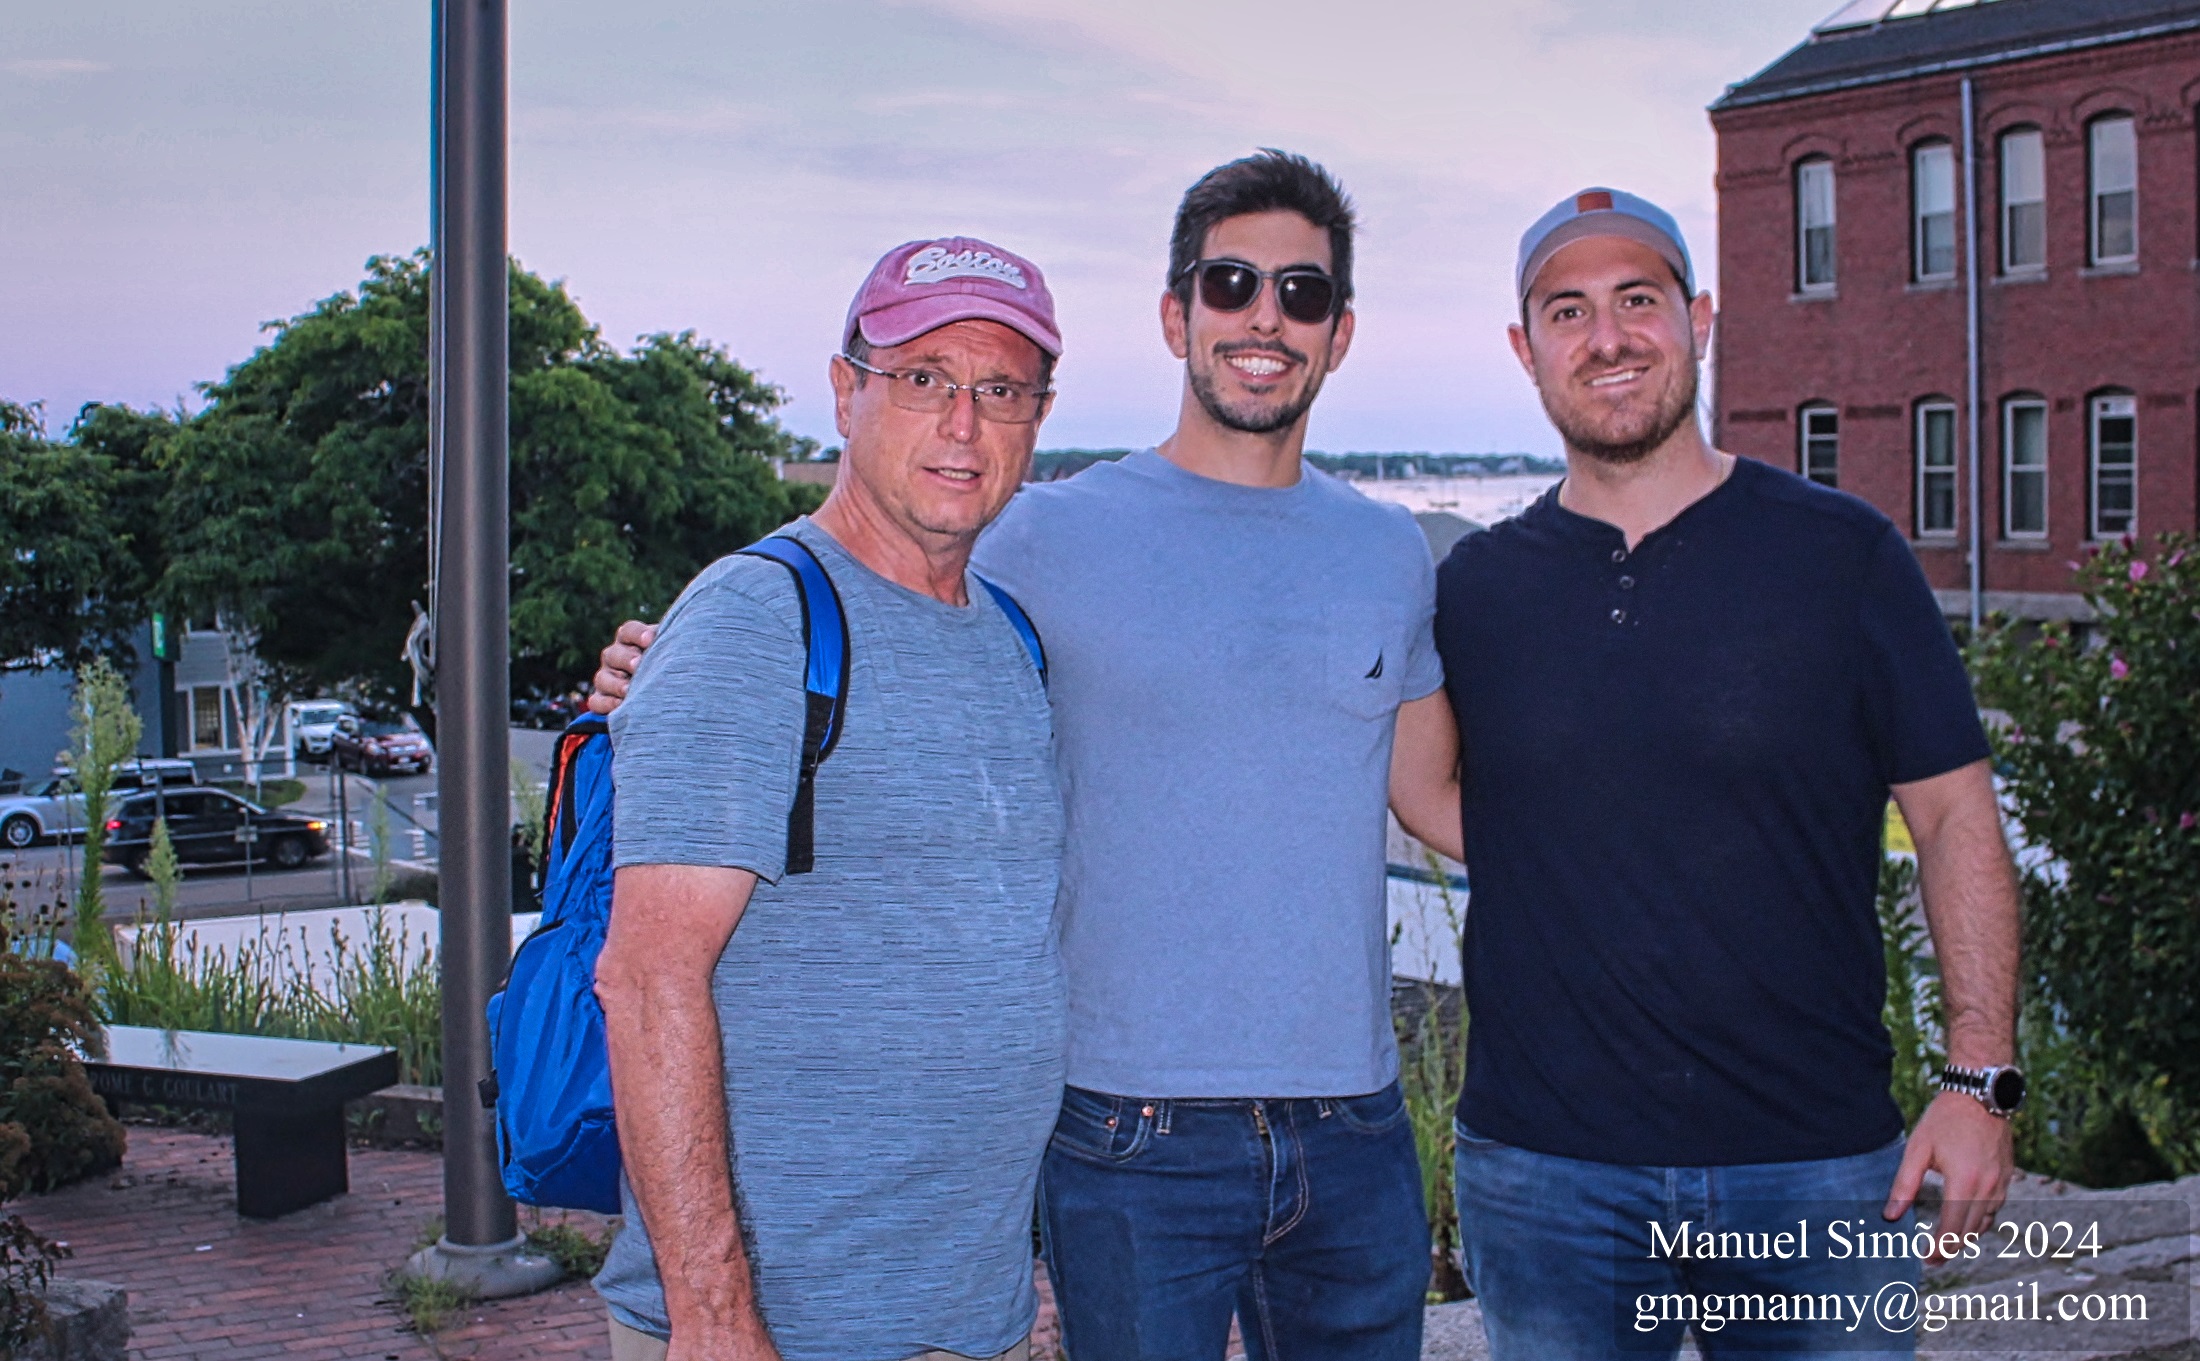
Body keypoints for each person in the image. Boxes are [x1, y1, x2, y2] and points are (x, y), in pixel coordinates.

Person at [595, 151, 1466, 1361]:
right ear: (1175, 315)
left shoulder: (1373, 553)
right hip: (1119, 1141)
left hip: (1300, 1151)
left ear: (1342, 330)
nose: (1264, 316)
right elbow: (650, 969)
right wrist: (671, 663)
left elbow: (1435, 791)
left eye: (1301, 292)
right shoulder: (1011, 543)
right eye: (1229, 282)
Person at [1435, 188, 2022, 1358]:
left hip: (1815, 1167)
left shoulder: (1841, 554)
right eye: (1567, 311)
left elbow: (1954, 814)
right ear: (1524, 348)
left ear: (1698, 319)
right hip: (1545, 1179)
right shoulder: (1476, 587)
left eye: (1637, 300)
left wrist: (1979, 1078)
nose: (1606, 337)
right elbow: (1432, 792)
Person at [590, 236, 1068, 1361]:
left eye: (1000, 390)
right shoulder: (756, 619)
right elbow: (647, 981)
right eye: (924, 378)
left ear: (1037, 419)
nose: (964, 424)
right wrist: (715, 1319)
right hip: (779, 1331)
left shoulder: (1011, 637)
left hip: (969, 1320)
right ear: (847, 394)